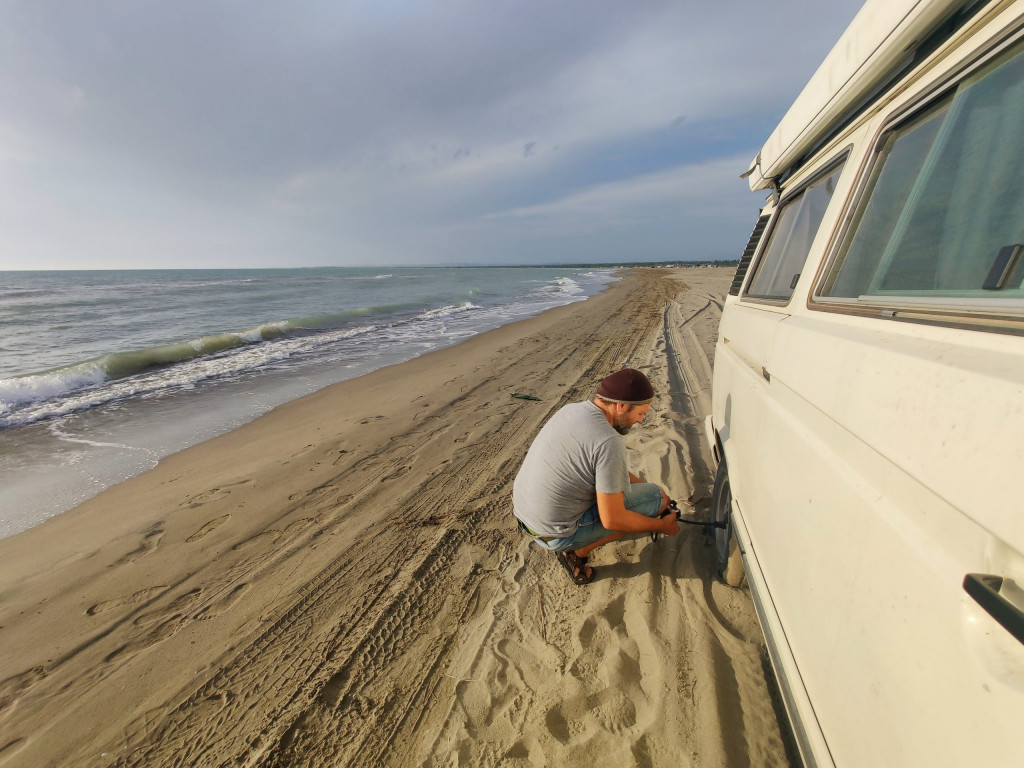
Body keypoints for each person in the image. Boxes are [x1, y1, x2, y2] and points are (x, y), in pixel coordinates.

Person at [512, 367, 680, 585]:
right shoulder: (609, 440)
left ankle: (575, 542)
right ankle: (577, 551)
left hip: (525, 513)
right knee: (657, 498)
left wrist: (642, 493)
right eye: (640, 414)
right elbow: (613, 519)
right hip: (553, 533)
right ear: (620, 406)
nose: (640, 421)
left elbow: (609, 470)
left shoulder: (571, 410)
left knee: (648, 496)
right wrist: (661, 525)